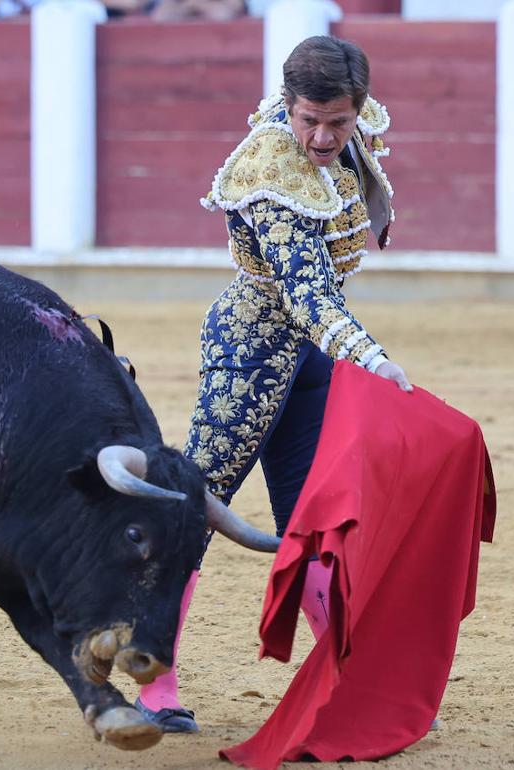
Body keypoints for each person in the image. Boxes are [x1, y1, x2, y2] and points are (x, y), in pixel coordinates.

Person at [132, 35, 412, 734]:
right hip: (252, 351)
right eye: (308, 119)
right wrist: (374, 361)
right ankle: (151, 679)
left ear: (360, 109)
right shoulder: (268, 172)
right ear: (287, 106)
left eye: (338, 123)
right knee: (197, 506)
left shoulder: (352, 126)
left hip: (307, 361)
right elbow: (311, 298)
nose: (321, 137)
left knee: (315, 516)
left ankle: (350, 676)